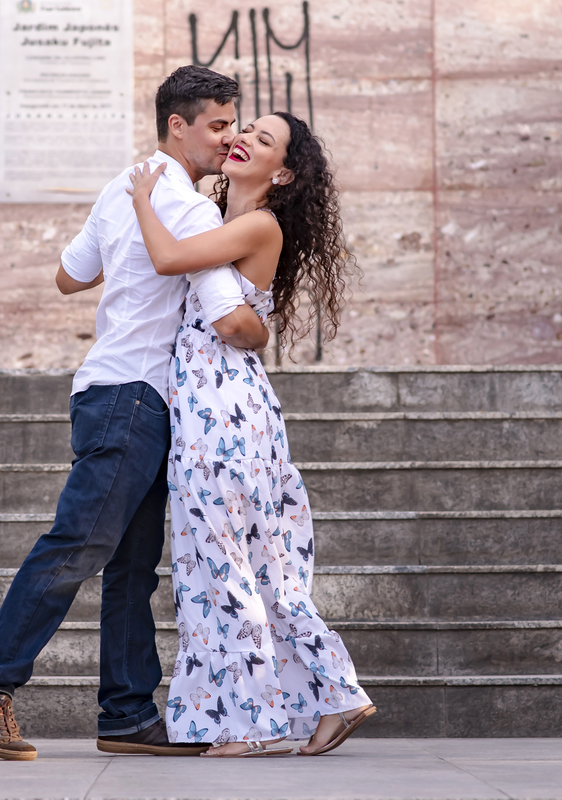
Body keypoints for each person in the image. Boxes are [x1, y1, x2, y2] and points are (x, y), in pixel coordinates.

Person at [0, 65, 270, 761]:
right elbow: (227, 318)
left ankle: (126, 715)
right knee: (79, 545)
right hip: (134, 397)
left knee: (131, 567)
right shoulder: (188, 210)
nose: (226, 139)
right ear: (176, 125)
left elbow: (70, 276)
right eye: (217, 125)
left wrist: (124, 249)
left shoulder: (123, 188)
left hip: (112, 392)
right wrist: (263, 326)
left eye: (231, 126)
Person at [125, 111, 376, 757]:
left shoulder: (257, 224)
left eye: (262, 140)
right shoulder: (227, 221)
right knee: (247, 570)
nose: (243, 141)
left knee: (225, 569)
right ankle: (333, 696)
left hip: (223, 413)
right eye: (245, 131)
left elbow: (168, 258)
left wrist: (143, 198)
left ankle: (252, 725)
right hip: (220, 408)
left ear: (285, 172)